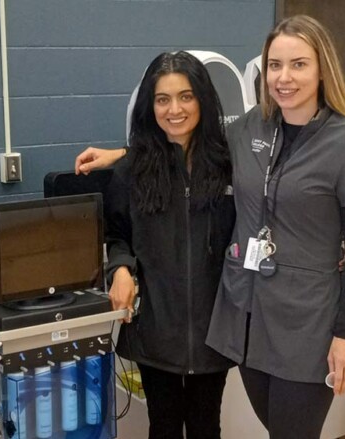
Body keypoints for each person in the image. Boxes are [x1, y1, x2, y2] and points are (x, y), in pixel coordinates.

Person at [76, 15, 345, 439]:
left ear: (321, 69)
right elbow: (179, 140)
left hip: (301, 319)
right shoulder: (253, 128)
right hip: (247, 320)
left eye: (298, 64)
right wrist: (122, 156)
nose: (284, 77)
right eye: (275, 65)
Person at [105, 51, 235, 439]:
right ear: (150, 105)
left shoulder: (230, 164)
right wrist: (122, 269)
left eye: (186, 96)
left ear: (203, 100)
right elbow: (116, 235)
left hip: (215, 328)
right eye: (163, 99)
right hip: (156, 328)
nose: (174, 109)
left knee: (205, 424)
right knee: (162, 424)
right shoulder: (131, 171)